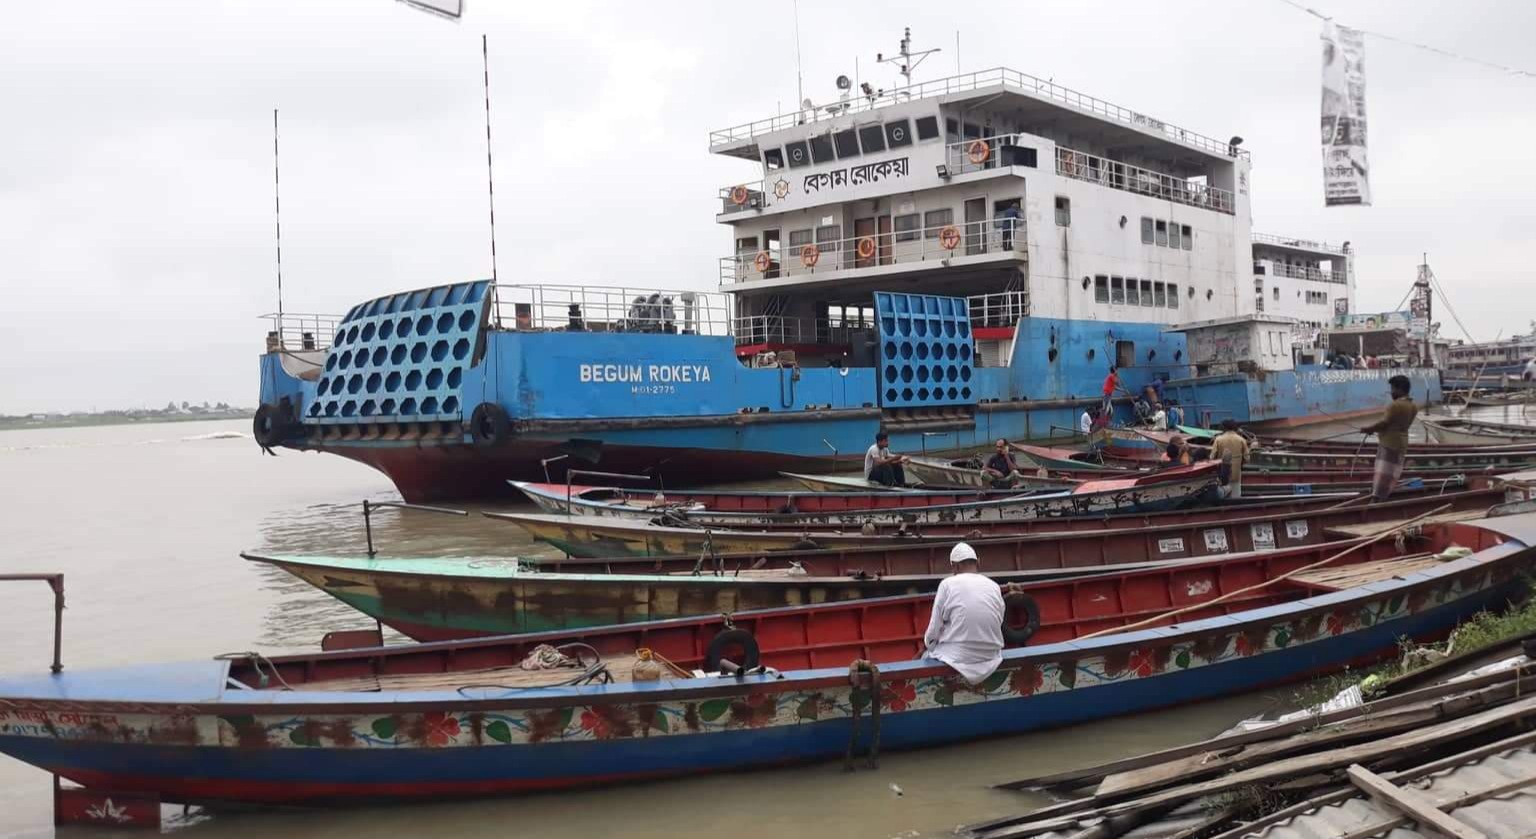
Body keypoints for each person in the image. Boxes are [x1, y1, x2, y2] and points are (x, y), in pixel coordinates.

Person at [921, 542, 1006, 686]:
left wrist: (929, 645)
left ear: (955, 566)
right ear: (978, 562)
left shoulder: (947, 584)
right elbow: (999, 619)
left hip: (957, 658)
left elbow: (934, 628)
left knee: (925, 657)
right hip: (991, 657)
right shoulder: (994, 586)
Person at [1360, 375, 1419, 501]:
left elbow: (1384, 423)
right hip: (1402, 443)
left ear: (1400, 389)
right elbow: (1397, 424)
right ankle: (1385, 495)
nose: (1391, 392)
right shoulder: (1413, 406)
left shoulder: (1394, 405)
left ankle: (1377, 500)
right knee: (1392, 474)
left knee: (1383, 474)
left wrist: (1368, 429)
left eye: (1392, 388)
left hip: (1389, 444)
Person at [1210, 418, 1251, 499]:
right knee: (1236, 498)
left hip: (1221, 475)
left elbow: (1212, 458)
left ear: (1224, 427)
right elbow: (1247, 459)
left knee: (1223, 498)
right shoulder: (1241, 440)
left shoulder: (1218, 439)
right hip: (1236, 475)